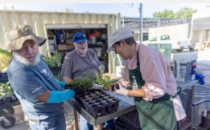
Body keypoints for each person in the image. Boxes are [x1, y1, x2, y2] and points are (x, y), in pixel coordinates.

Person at [107, 27, 186, 130]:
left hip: (165, 111)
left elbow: (157, 89)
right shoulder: (130, 61)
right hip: (150, 112)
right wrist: (115, 86)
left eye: (115, 48)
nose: (116, 53)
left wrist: (127, 93)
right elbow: (126, 80)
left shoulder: (147, 55)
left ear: (122, 43)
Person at [2, 25, 77, 130]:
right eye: (23, 47)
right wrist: (72, 92)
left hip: (57, 115)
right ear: (15, 49)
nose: (30, 51)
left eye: (32, 45)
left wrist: (65, 85)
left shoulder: (36, 58)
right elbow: (45, 96)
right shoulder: (19, 71)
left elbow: (48, 78)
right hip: (45, 123)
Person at [60, 32, 114, 130]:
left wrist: (101, 80)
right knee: (87, 117)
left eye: (84, 42)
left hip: (97, 87)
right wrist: (79, 87)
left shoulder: (91, 52)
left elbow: (99, 68)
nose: (83, 45)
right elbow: (66, 79)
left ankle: (108, 127)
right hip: (82, 92)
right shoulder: (69, 57)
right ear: (74, 44)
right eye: (80, 43)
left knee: (108, 111)